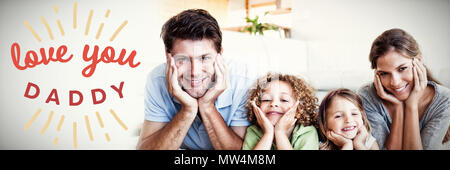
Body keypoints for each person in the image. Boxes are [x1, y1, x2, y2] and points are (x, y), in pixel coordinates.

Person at [137, 9, 255, 150]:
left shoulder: (243, 80)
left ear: (220, 54)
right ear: (168, 56)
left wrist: (207, 106)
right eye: (183, 59)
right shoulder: (157, 80)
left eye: (204, 58)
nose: (195, 72)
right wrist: (187, 110)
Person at [357, 28, 450, 150]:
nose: (395, 82)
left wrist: (411, 105)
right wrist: (399, 108)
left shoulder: (444, 99)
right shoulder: (367, 96)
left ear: (418, 61)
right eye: (384, 73)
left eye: (402, 69)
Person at [242, 73, 319, 150]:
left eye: (284, 100)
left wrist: (280, 132)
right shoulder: (253, 131)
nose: (274, 104)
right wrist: (268, 134)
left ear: (300, 109)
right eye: (266, 99)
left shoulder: (307, 132)